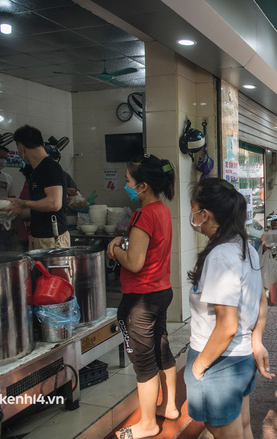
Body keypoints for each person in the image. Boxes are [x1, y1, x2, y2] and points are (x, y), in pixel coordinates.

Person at [183, 178, 273, 439]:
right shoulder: (244, 246)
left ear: (205, 214)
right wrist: (256, 341)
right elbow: (261, 299)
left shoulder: (221, 256)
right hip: (240, 359)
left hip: (219, 361)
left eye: (193, 208)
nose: (192, 215)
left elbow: (227, 326)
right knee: (243, 427)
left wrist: (198, 368)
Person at [107, 155, 179, 439]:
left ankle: (148, 423)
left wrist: (114, 249)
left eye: (129, 182)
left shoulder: (143, 215)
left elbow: (135, 262)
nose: (127, 186)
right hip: (161, 291)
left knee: (144, 361)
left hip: (140, 299)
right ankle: (169, 406)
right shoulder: (161, 210)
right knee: (161, 349)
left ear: (143, 186)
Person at [5, 125, 69, 249]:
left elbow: (54, 203)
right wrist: (15, 211)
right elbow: (41, 207)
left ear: (21, 148)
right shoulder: (37, 170)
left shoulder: (49, 167)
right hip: (39, 237)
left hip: (53, 239)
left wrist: (23, 203)